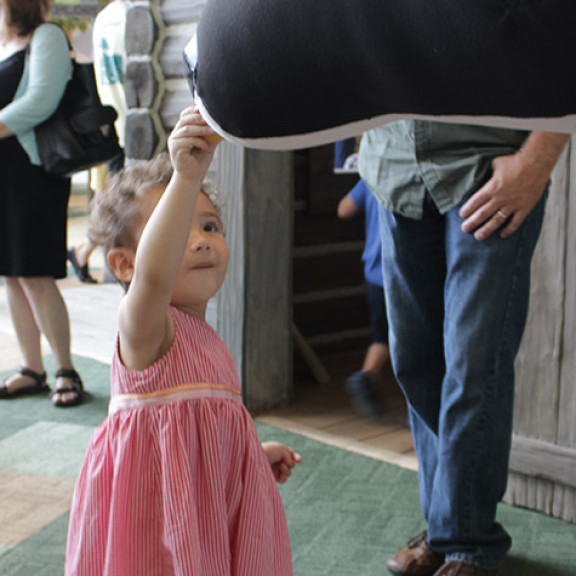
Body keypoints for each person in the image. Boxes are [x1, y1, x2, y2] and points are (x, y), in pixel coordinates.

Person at [65, 107, 300, 575]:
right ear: (125, 265)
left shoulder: (209, 340)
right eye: (177, 230)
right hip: (156, 522)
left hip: (203, 512)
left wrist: (249, 452)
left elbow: (202, 430)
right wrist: (187, 177)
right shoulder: (146, 327)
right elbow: (155, 277)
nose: (200, 240)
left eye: (210, 225)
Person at [358, 120, 569, 576]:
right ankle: (443, 529)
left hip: (489, 167)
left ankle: (467, 543)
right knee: (415, 362)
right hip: (394, 166)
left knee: (474, 365)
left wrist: (537, 161)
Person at [0, 0, 84, 407]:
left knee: (35, 273)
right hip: (5, 173)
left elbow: (41, 100)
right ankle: (32, 369)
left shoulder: (46, 37)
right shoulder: (5, 46)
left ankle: (65, 368)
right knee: (12, 274)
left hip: (33, 173)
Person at [68, 0, 127, 284]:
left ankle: (84, 250)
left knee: (114, 200)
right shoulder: (133, 13)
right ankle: (86, 251)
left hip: (109, 122)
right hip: (129, 121)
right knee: (119, 204)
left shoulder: (102, 19)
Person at [337, 178, 389, 419]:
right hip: (397, 274)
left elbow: (343, 209)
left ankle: (369, 383)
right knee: (392, 335)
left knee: (382, 333)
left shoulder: (371, 178)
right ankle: (367, 377)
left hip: (373, 272)